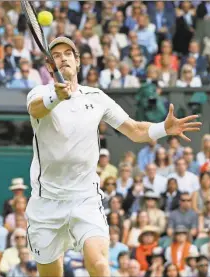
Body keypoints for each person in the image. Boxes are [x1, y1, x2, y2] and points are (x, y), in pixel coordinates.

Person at [25, 36, 201, 277]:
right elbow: (35, 108)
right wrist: (56, 96)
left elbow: (135, 130)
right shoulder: (40, 93)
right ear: (49, 66)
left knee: (99, 265)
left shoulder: (96, 97)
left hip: (85, 198)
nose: (63, 58)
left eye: (68, 54)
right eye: (56, 55)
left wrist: (163, 128)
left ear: (78, 62)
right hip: (46, 204)